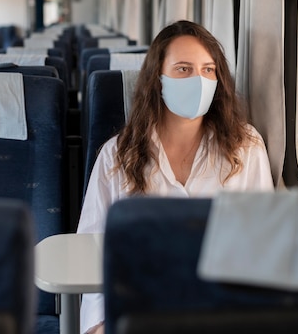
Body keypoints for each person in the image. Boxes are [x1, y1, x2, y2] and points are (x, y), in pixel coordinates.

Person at [77, 20, 274, 334]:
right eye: (183, 69)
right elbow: (91, 254)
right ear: (158, 80)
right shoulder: (116, 155)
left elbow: (263, 244)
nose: (198, 80)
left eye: (208, 70)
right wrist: (99, 325)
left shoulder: (246, 147)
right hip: (141, 309)